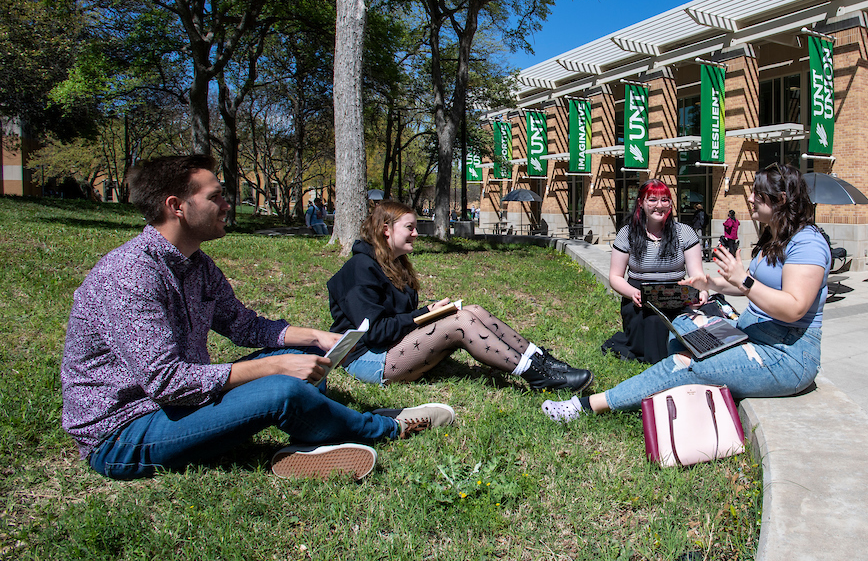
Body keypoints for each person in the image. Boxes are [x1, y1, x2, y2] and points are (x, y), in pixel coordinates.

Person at [60, 155, 454, 482]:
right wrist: (274, 366)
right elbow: (167, 382)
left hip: (178, 405)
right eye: (216, 197)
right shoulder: (130, 275)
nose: (228, 204)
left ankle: (317, 442)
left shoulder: (196, 265)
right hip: (126, 432)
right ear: (176, 206)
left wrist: (314, 336)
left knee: (295, 355)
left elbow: (243, 325)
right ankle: (385, 427)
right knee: (280, 388)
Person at [543, 163, 825, 425]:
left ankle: (588, 405)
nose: (750, 198)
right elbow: (747, 287)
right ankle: (687, 378)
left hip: (785, 355)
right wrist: (711, 284)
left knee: (686, 363)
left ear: (781, 200)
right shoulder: (775, 237)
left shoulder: (808, 242)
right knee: (683, 325)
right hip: (752, 332)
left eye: (758, 194)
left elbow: (793, 308)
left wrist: (745, 281)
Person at [327, 200, 591, 392]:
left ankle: (544, 361)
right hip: (368, 359)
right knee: (460, 323)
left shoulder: (394, 264)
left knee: (471, 311)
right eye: (409, 227)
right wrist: (424, 314)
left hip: (392, 347)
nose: (416, 234)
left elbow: (398, 318)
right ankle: (536, 375)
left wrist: (431, 310)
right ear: (387, 230)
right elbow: (374, 332)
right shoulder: (358, 269)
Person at [601, 180, 706, 363]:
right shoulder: (627, 234)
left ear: (671, 204)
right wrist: (632, 293)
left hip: (676, 294)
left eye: (665, 200)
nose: (659, 205)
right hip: (640, 297)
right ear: (641, 203)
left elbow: (697, 275)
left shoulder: (685, 233)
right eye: (652, 200)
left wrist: (702, 291)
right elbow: (615, 277)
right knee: (654, 323)